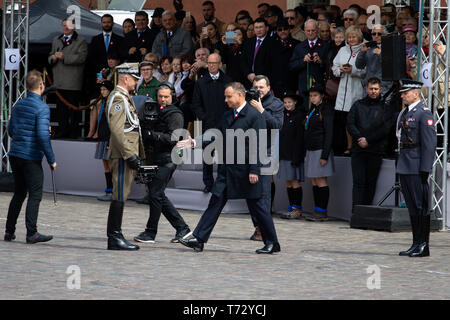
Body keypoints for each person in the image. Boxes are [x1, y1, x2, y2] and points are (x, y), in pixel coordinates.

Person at [177, 82, 281, 254]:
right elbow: (214, 133)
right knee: (215, 202)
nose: (225, 100)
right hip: (228, 170)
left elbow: (259, 145)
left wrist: (255, 170)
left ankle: (272, 242)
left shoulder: (255, 116)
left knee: (258, 207)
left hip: (247, 171)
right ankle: (199, 238)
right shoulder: (227, 116)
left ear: (240, 95)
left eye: (228, 96)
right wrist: (195, 141)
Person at [134, 82, 191, 244]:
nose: (163, 100)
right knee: (157, 194)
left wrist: (152, 134)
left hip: (170, 158)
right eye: (160, 96)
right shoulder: (153, 110)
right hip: (157, 157)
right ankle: (182, 229)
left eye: (166, 97)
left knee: (155, 193)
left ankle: (151, 232)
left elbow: (174, 138)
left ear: (172, 96)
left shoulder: (175, 114)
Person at [4, 70, 57, 244]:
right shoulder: (42, 107)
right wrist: (51, 159)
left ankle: (9, 231)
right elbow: (43, 136)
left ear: (26, 87)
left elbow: (11, 130)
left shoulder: (18, 105)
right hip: (31, 155)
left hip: (15, 153)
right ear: (41, 85)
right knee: (35, 194)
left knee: (19, 193)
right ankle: (31, 232)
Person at [105, 63, 145, 251]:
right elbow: (117, 130)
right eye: (135, 79)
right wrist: (129, 155)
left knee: (122, 193)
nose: (136, 82)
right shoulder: (119, 98)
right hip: (122, 154)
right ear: (125, 78)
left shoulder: (123, 96)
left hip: (124, 153)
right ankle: (114, 237)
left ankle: (116, 235)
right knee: (119, 193)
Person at [396, 79, 436, 257]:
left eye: (406, 92)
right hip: (405, 163)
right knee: (412, 206)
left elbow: (429, 144)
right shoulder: (405, 113)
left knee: (421, 206)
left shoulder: (423, 113)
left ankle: (424, 245)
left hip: (417, 164)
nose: (403, 95)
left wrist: (425, 168)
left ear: (416, 93)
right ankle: (416, 242)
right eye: (402, 93)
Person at [347, 77, 393, 208]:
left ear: (381, 90)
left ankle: (366, 214)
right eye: (371, 89)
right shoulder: (357, 105)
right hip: (358, 150)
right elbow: (350, 124)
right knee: (358, 182)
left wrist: (368, 140)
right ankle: (356, 213)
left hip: (375, 150)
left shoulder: (385, 107)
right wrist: (359, 138)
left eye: (376, 89)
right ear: (366, 89)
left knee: (371, 183)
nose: (373, 91)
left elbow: (385, 128)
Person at [248, 75, 284, 240]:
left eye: (261, 87)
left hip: (267, 150)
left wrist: (261, 110)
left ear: (268, 88)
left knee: (263, 191)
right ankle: (258, 225)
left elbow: (277, 125)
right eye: (256, 87)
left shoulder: (276, 104)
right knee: (249, 191)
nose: (258, 90)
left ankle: (263, 229)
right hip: (248, 149)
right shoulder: (247, 101)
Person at [191, 53, 232, 192]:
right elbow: (196, 104)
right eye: (209, 63)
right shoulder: (201, 82)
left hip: (225, 123)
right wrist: (205, 117)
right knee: (208, 154)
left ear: (220, 64)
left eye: (214, 63)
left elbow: (233, 103)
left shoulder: (228, 81)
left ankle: (222, 183)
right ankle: (208, 183)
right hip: (208, 123)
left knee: (224, 155)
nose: (211, 66)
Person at [48, 17, 88, 139]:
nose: (65, 28)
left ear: (74, 27)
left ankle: (74, 133)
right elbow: (50, 56)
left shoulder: (81, 41)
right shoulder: (57, 40)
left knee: (73, 110)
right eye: (63, 25)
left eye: (68, 25)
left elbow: (81, 58)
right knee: (61, 110)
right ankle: (62, 131)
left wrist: (64, 57)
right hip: (59, 81)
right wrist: (53, 58)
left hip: (73, 82)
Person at [332, 25, 366, 156]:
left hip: (356, 88)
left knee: (355, 120)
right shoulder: (342, 50)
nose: (351, 39)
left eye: (354, 37)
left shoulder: (363, 50)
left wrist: (353, 71)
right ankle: (347, 146)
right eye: (349, 37)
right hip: (342, 90)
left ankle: (355, 146)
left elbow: (365, 71)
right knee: (344, 121)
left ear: (359, 38)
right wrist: (339, 70)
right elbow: (334, 67)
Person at [303, 86, 334, 222]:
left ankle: (322, 211)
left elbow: (329, 132)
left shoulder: (326, 109)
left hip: (321, 149)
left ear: (321, 95)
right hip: (311, 148)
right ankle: (317, 210)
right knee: (315, 180)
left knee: (321, 180)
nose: (312, 98)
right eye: (310, 96)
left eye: (315, 95)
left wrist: (325, 155)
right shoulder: (313, 109)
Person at [278, 91, 305, 219]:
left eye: (289, 102)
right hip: (284, 154)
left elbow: (300, 138)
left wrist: (297, 157)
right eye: (285, 102)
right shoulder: (283, 115)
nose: (287, 104)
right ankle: (291, 207)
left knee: (294, 182)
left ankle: (297, 209)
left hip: (293, 155)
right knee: (288, 182)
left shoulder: (299, 116)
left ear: (295, 102)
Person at [289, 19, 329, 104]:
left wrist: (320, 62)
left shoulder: (325, 46)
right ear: (304, 31)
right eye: (308, 30)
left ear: (317, 30)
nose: (310, 33)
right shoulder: (299, 47)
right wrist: (303, 60)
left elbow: (330, 66)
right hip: (304, 87)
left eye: (313, 30)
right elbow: (292, 66)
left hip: (319, 87)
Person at [87, 14, 123, 99]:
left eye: (108, 22)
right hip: (99, 76)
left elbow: (120, 57)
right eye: (104, 22)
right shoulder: (95, 39)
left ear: (113, 23)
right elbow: (92, 58)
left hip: (114, 76)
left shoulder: (119, 39)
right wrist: (100, 74)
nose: (106, 24)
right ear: (101, 23)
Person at [355, 24, 392, 97]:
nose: (376, 36)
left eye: (379, 34)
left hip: (383, 87)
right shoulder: (369, 47)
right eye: (374, 34)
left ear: (385, 35)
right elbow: (359, 65)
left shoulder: (390, 47)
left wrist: (382, 55)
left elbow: (391, 68)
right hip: (368, 86)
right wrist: (362, 53)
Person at [92, 80, 114, 201]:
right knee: (105, 166)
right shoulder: (104, 102)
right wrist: (98, 137)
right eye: (101, 90)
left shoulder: (112, 102)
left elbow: (113, 123)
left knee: (110, 166)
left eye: (105, 89)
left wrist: (111, 140)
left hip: (109, 137)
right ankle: (108, 190)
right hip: (102, 136)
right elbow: (101, 122)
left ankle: (113, 191)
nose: (102, 91)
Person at [269, 18, 300, 99]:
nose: (283, 31)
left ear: (289, 29)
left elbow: (299, 68)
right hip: (276, 85)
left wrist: (298, 87)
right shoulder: (271, 45)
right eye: (280, 29)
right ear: (276, 31)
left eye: (285, 29)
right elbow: (268, 67)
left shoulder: (297, 44)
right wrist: (270, 87)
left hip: (292, 84)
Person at [240, 18, 272, 88]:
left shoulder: (272, 43)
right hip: (248, 81)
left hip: (264, 82)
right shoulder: (248, 42)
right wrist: (248, 73)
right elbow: (243, 60)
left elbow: (272, 65)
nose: (258, 30)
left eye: (261, 27)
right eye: (256, 27)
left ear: (267, 28)